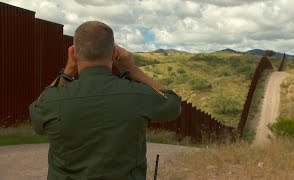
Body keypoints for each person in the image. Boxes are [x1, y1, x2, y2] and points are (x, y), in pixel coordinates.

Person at [29, 21, 181, 180]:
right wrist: (132, 70)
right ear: (114, 53)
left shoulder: (52, 100)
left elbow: (37, 119)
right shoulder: (137, 94)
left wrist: (67, 72)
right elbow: (173, 103)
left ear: (73, 54)